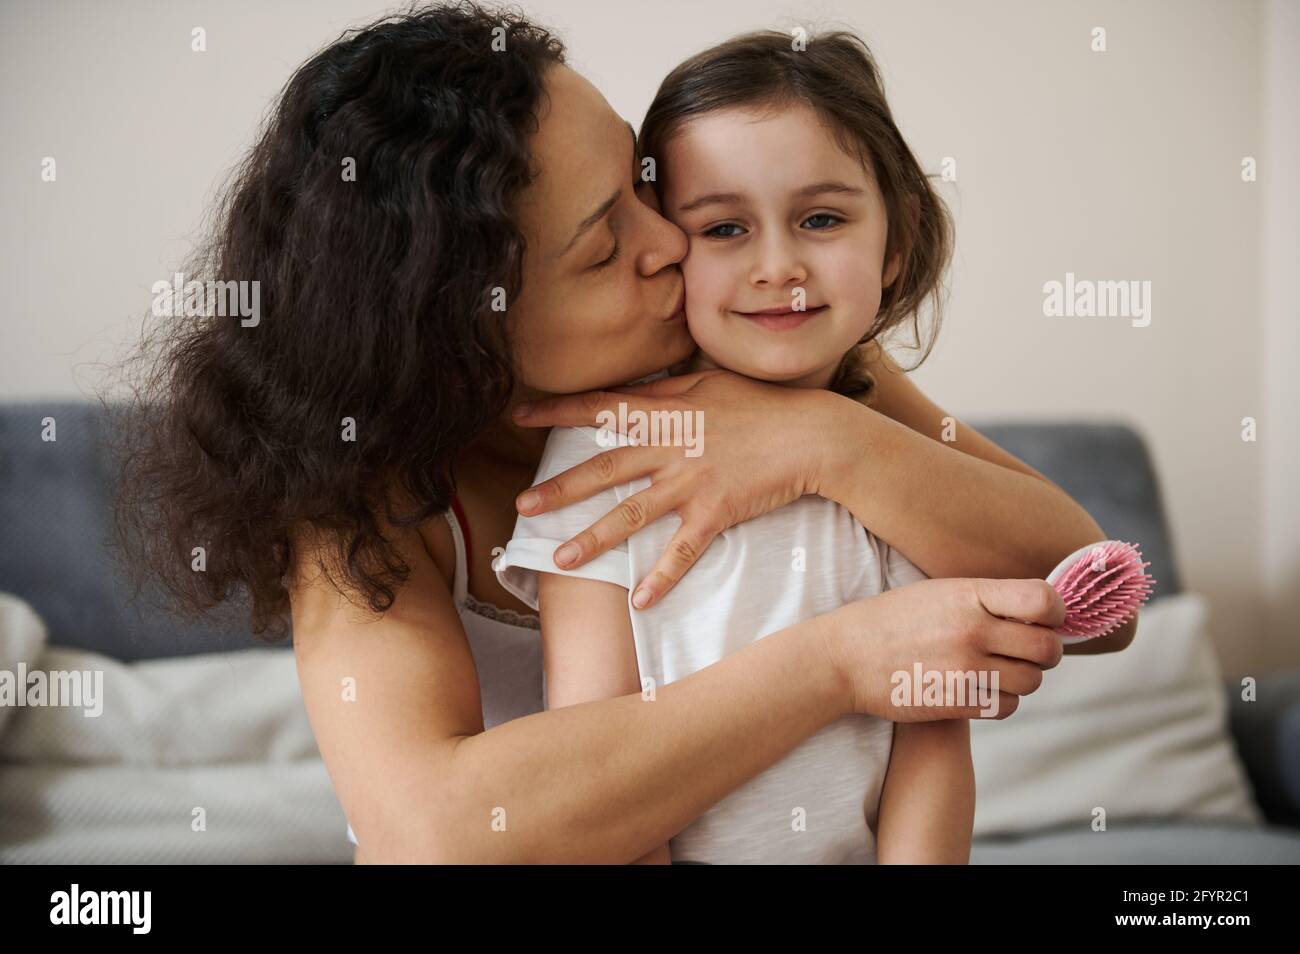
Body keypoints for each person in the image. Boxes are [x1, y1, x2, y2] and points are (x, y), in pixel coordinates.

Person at [108, 2, 1134, 865]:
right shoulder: (362, 504)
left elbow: (1096, 595)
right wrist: (838, 662)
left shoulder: (789, 372)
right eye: (607, 247)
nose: (674, 243)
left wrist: (831, 438)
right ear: (467, 326)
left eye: (644, 184)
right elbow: (431, 829)